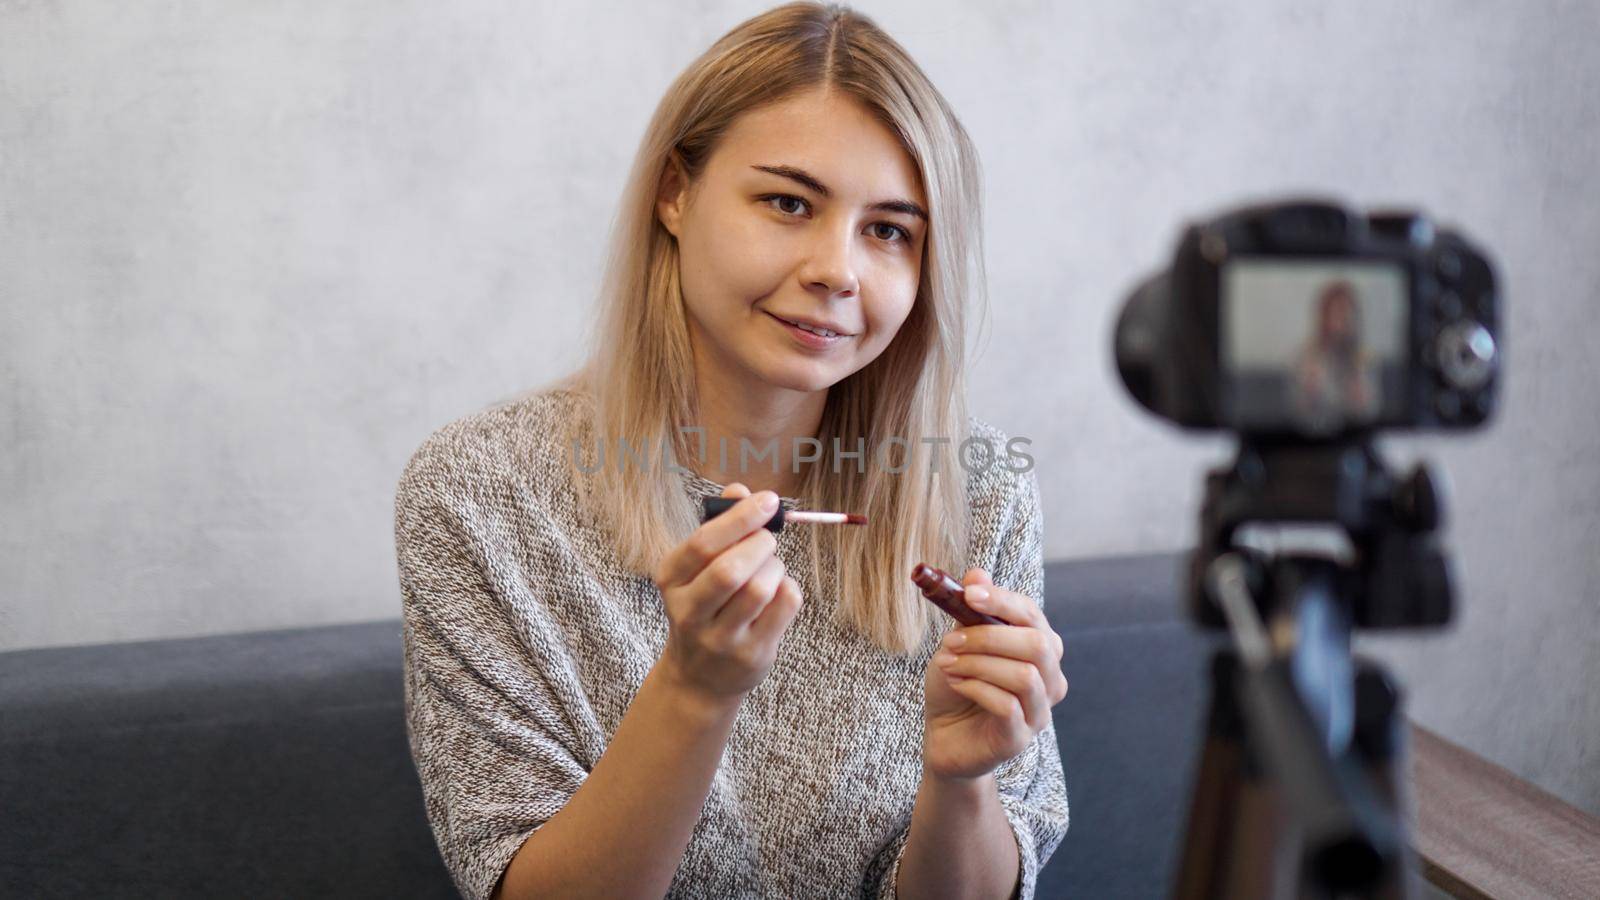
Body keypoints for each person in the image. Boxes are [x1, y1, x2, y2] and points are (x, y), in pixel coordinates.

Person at [393, 3, 1069, 898]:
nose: (838, 269)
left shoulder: (976, 491)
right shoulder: (478, 494)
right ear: (675, 193)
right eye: (789, 203)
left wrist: (962, 779)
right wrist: (693, 692)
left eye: (889, 230)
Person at [1290, 279, 1381, 433]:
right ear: (1325, 316)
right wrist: (1309, 394)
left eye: (1349, 314)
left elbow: (1375, 413)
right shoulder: (1304, 355)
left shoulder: (1365, 356)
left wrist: (1362, 401)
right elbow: (1292, 415)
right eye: (1338, 313)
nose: (1345, 320)